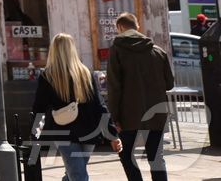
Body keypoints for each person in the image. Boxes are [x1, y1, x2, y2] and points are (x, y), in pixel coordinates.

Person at [31, 33, 119, 181]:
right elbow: (99, 106)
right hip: (89, 130)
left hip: (63, 131)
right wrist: (112, 134)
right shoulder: (84, 73)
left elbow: (39, 107)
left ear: (53, 51)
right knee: (77, 173)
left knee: (76, 174)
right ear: (72, 49)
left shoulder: (48, 76)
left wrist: (35, 130)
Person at [106, 12, 174, 181]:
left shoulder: (117, 50)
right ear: (137, 26)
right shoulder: (158, 51)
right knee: (156, 158)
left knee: (126, 154)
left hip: (128, 115)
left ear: (120, 27)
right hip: (156, 113)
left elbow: (114, 87)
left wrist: (114, 118)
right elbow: (169, 84)